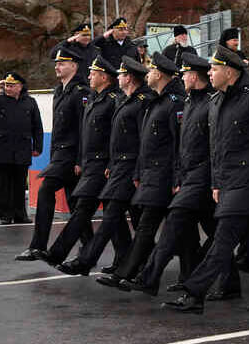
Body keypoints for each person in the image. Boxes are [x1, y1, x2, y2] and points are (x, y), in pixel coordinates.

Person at [163, 45, 249, 313]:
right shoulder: (217, 100)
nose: (210, 72)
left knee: (223, 241)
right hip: (229, 182)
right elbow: (216, 146)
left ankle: (195, 294)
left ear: (229, 72)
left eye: (215, 68)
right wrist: (216, 183)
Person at [118, 53, 228, 296]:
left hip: (204, 175)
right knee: (212, 232)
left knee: (175, 224)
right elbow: (181, 146)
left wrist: (214, 180)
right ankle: (223, 282)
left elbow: (215, 145)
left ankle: (149, 279)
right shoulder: (189, 102)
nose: (182, 77)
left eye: (186, 73)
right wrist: (178, 177)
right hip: (188, 177)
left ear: (193, 76)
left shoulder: (210, 102)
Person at [69, 56, 156, 277]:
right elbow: (114, 138)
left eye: (121, 74)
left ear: (129, 78)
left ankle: (88, 261)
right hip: (118, 166)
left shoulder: (141, 101)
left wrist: (138, 170)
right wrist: (111, 163)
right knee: (131, 218)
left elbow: (143, 139)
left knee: (118, 216)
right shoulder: (124, 99)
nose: (118, 77)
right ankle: (135, 260)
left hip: (132, 167)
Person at [110, 52, 185, 280]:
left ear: (160, 74)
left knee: (147, 226)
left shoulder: (174, 103)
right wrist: (138, 171)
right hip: (150, 174)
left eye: (151, 70)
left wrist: (177, 178)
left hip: (164, 175)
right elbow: (145, 142)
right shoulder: (156, 100)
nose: (148, 74)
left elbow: (178, 145)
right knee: (184, 234)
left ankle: (129, 273)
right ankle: (189, 277)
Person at [43, 56, 120, 268]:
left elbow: (116, 137)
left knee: (84, 208)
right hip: (91, 164)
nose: (89, 76)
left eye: (93, 73)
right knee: (114, 216)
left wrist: (111, 164)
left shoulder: (113, 100)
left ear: (104, 77)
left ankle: (58, 253)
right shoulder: (95, 98)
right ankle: (125, 259)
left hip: (103, 165)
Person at [16, 48, 91, 261]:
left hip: (71, 156)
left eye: (62, 63)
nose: (57, 67)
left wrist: (80, 160)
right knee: (76, 203)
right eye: (56, 63)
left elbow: (83, 128)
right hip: (59, 155)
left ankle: (38, 245)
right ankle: (88, 248)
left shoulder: (80, 92)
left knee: (46, 190)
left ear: (74, 66)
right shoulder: (60, 90)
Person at [0, 72, 43, 224]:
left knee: (19, 183)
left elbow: (37, 125)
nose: (8, 88)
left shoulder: (29, 102)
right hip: (2, 149)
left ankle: (20, 214)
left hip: (22, 148)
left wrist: (38, 146)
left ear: (20, 86)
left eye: (11, 86)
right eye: (6, 85)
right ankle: (5, 215)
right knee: (3, 184)